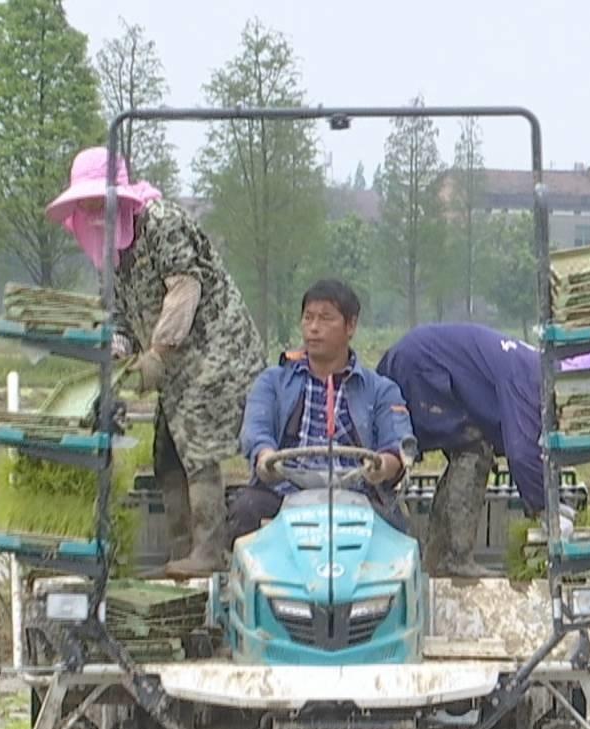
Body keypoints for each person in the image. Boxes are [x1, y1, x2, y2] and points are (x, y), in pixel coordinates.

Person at [47, 147, 264, 578]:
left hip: (215, 352)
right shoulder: (111, 251)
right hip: (175, 364)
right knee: (166, 452)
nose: (92, 210)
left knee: (196, 445)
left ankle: (208, 552)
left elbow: (184, 288)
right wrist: (121, 349)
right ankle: (180, 549)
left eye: (98, 200)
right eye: (85, 204)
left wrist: (158, 352)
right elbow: (121, 313)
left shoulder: (162, 222)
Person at [378, 324, 590, 577]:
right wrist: (547, 509)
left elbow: (529, 445)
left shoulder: (534, 369)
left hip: (424, 359)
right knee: (474, 450)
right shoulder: (534, 381)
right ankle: (453, 558)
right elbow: (521, 452)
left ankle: (438, 557)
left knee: (472, 447)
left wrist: (554, 498)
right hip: (422, 366)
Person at [229, 280, 416, 544]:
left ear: (350, 326)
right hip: (284, 493)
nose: (314, 328)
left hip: (359, 495)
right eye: (308, 318)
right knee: (244, 509)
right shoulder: (272, 381)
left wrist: (383, 466)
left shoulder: (382, 390)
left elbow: (399, 444)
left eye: (326, 318)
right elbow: (255, 431)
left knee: (398, 533)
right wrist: (266, 457)